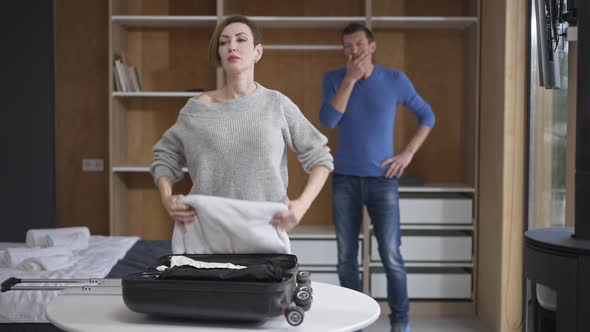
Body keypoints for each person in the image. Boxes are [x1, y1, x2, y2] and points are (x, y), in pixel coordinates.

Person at [151, 16, 333, 245]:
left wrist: (302, 205)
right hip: (204, 233)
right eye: (224, 42)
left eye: (241, 39)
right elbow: (165, 156)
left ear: (258, 52)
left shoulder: (276, 104)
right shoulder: (195, 109)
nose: (231, 46)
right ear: (219, 53)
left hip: (265, 231)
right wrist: (167, 198)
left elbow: (320, 156)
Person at [319, 23, 435, 332]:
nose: (353, 50)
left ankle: (401, 321)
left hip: (383, 180)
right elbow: (329, 120)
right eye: (347, 46)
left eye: (358, 44)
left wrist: (407, 154)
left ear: (372, 46)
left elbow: (427, 115)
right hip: (344, 179)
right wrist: (349, 80)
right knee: (346, 258)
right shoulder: (333, 79)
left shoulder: (395, 80)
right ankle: (353, 321)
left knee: (391, 255)